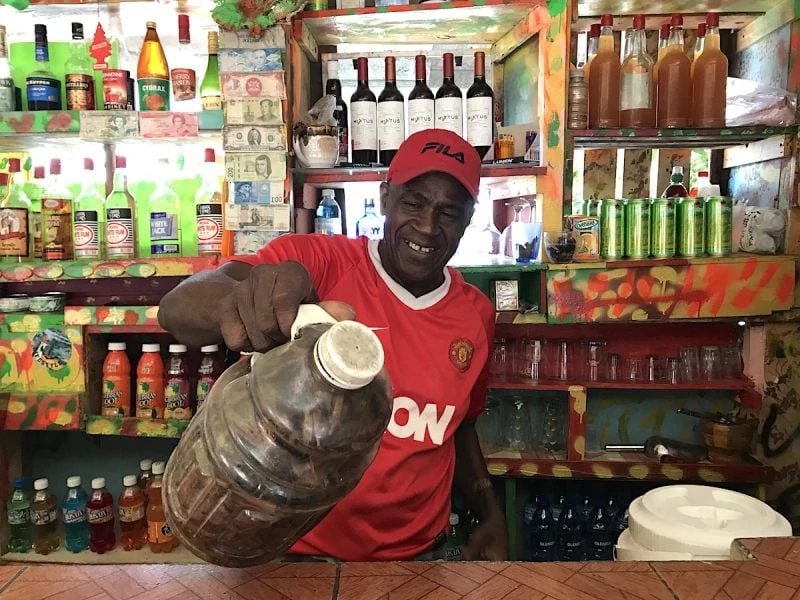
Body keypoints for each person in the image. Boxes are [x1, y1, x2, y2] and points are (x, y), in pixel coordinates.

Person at [158, 129, 507, 562]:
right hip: (301, 553)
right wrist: (243, 303)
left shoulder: (475, 313)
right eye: (414, 202)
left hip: (421, 557)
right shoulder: (321, 264)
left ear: (469, 220)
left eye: (449, 212)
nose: (427, 227)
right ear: (384, 198)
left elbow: (460, 424)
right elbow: (177, 308)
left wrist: (487, 508)